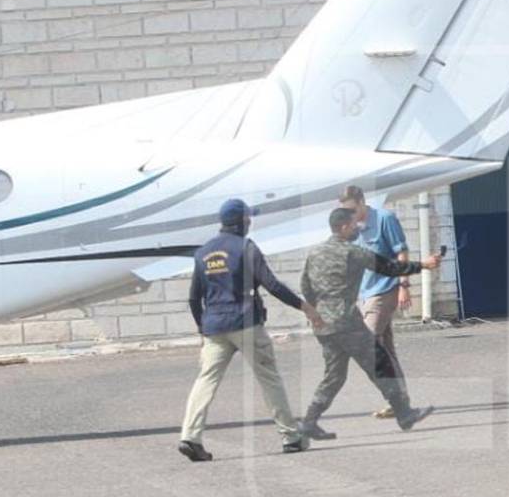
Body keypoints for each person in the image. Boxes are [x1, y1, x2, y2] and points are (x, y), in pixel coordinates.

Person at [178, 199, 324, 462]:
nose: (250, 222)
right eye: (248, 218)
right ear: (242, 221)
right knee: (269, 378)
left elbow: (193, 298)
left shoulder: (203, 253)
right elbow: (272, 284)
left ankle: (190, 437)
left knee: (206, 380)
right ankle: (291, 437)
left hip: (214, 327)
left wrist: (203, 328)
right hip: (245, 323)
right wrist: (305, 307)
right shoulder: (246, 247)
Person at [299, 207, 441, 438]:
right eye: (354, 224)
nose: (358, 228)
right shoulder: (352, 252)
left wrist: (316, 312)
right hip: (347, 323)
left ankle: (309, 422)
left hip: (323, 326)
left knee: (334, 376)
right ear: (344, 226)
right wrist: (423, 265)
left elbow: (305, 286)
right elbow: (389, 267)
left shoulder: (315, 253)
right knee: (381, 364)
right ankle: (404, 413)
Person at [337, 186, 415, 420]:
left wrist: (404, 286)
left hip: (386, 290)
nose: (349, 215)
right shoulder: (352, 227)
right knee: (385, 349)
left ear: (362, 202)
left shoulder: (384, 219)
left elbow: (401, 253)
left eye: (352, 209)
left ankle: (397, 400)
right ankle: (400, 401)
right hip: (366, 293)